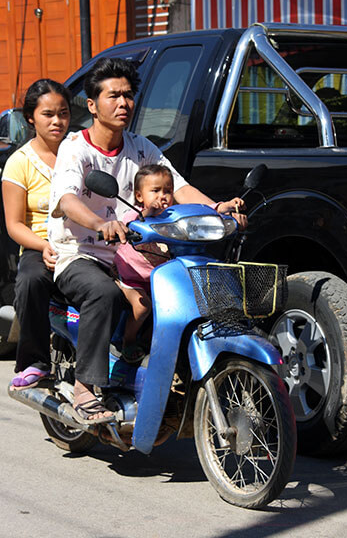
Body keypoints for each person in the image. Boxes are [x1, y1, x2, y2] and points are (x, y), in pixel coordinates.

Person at [48, 57, 246, 424]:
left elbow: (179, 185)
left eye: (128, 95)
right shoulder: (75, 149)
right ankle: (85, 389)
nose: (123, 103)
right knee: (102, 293)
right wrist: (99, 224)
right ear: (92, 105)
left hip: (137, 251)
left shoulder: (142, 148)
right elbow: (67, 198)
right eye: (113, 96)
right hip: (82, 253)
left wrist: (218, 209)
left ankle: (161, 369)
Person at [113, 164, 243, 363]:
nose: (162, 196)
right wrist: (147, 213)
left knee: (171, 311)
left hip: (161, 277)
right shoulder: (135, 214)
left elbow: (197, 212)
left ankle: (150, 342)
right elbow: (130, 224)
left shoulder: (173, 214)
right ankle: (128, 341)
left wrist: (222, 208)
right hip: (133, 277)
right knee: (143, 308)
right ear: (139, 196)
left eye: (167, 191)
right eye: (155, 191)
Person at [2, 79, 71, 388]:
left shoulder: (79, 151)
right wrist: (43, 246)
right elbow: (15, 224)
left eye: (63, 113)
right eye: (48, 114)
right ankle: (35, 362)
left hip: (82, 242)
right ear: (31, 117)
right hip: (39, 245)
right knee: (31, 280)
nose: (57, 121)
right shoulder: (19, 163)